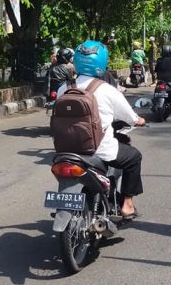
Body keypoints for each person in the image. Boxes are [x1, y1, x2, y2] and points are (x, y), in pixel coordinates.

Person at [58, 40, 146, 218]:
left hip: (65, 151)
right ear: (101, 62)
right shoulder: (106, 90)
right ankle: (127, 204)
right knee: (134, 157)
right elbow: (130, 118)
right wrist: (139, 121)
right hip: (99, 150)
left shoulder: (64, 88)